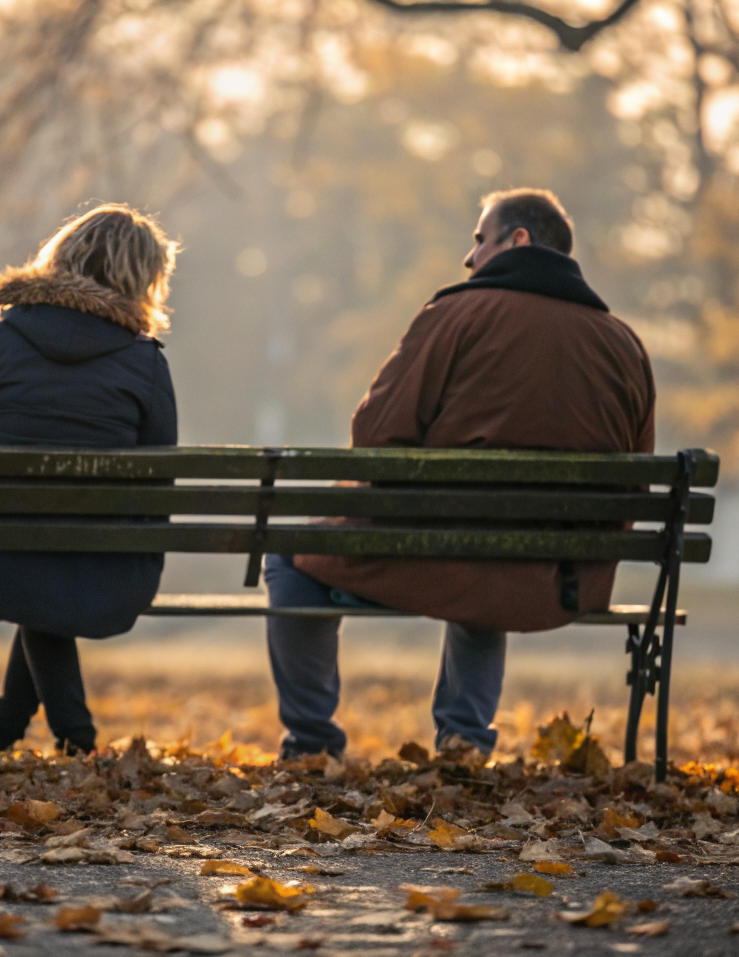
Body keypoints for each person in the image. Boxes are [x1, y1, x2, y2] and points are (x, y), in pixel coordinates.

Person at [264, 188, 656, 760]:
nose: (470, 259)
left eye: (479, 240)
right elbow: (638, 480)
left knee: (289, 553)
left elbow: (375, 435)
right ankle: (464, 739)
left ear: (517, 240)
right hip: (563, 579)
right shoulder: (625, 345)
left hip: (442, 555)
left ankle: (312, 745)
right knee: (491, 554)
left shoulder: (455, 316)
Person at [0, 204, 180, 755]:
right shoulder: (146, 364)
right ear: (142, 280)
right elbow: (158, 481)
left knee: (35, 562)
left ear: (59, 257)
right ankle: (73, 738)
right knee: (50, 561)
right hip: (103, 550)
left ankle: (9, 731)